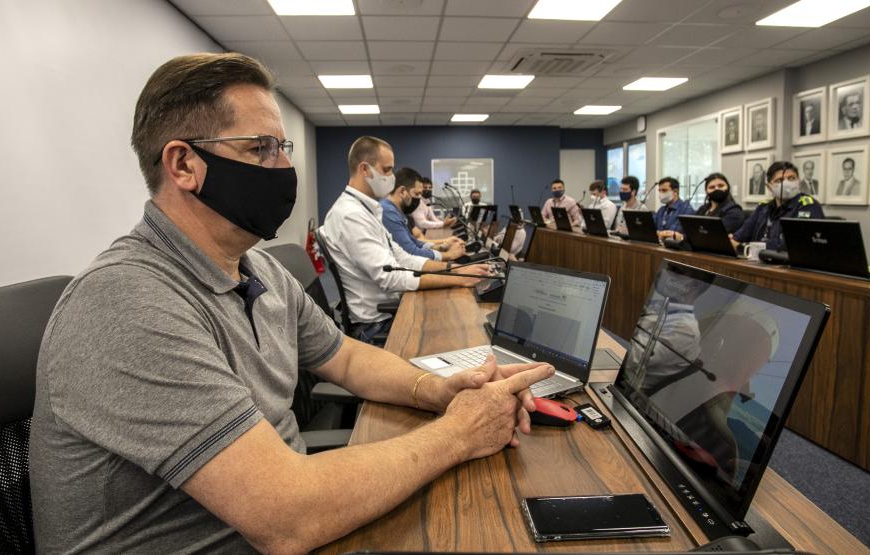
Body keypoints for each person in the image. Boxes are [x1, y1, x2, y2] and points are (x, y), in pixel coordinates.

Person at [28, 52, 554, 554]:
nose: (282, 168)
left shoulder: (255, 267)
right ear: (184, 164)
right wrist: (460, 431)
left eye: (283, 149)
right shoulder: (127, 303)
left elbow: (345, 357)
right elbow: (286, 516)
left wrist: (439, 391)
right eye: (261, 148)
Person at [323, 136, 489, 341]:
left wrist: (455, 270)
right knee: (460, 332)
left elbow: (403, 258)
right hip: (376, 324)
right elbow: (390, 277)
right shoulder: (351, 216)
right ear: (365, 169)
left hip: (388, 310)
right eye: (387, 169)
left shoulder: (366, 210)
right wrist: (459, 278)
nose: (392, 177)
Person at [731, 161, 824, 251]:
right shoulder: (763, 207)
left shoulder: (808, 206)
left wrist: (750, 247)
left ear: (799, 181)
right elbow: (740, 235)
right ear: (769, 187)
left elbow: (795, 243)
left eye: (791, 178)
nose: (786, 184)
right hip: (759, 262)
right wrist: (732, 240)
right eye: (779, 180)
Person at [382, 167, 465, 261]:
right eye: (417, 194)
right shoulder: (388, 212)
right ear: (402, 191)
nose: (419, 198)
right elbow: (410, 252)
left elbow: (415, 243)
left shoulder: (398, 212)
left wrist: (444, 246)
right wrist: (449, 255)